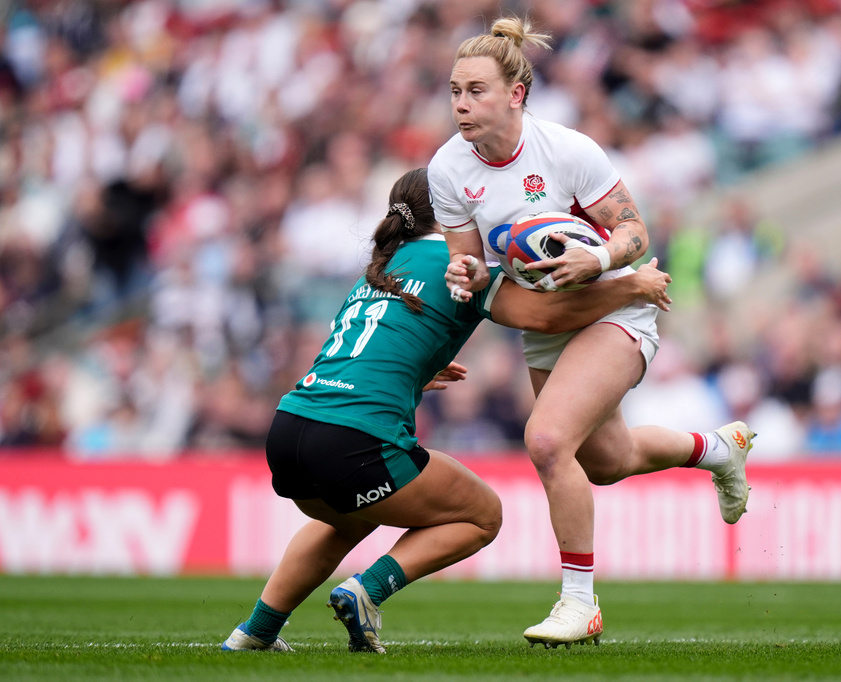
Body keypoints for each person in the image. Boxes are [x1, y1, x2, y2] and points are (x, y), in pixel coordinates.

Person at [221, 168, 673, 654]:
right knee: (481, 515)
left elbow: (371, 347)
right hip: (352, 438)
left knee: (347, 519)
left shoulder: (386, 264)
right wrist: (632, 286)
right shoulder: (458, 262)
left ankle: (255, 633)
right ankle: (366, 592)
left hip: (290, 429)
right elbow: (545, 317)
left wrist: (419, 370)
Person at [429, 16, 756, 648]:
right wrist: (463, 278)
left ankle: (580, 604)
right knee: (605, 461)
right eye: (454, 91)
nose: (461, 106)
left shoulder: (567, 150)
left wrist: (599, 259)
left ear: (516, 94)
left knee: (548, 441)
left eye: (476, 91)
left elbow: (636, 233)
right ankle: (718, 449)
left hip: (615, 304)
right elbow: (469, 267)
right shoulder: (448, 170)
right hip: (548, 322)